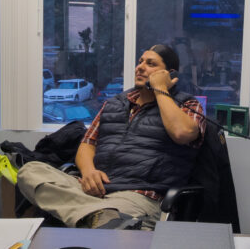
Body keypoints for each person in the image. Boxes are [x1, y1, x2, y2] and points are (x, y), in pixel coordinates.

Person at [17, 44, 206, 230]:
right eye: (140, 62)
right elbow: (87, 144)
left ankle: (102, 219)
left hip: (137, 196)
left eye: (151, 64)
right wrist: (89, 171)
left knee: (104, 227)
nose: (140, 67)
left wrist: (161, 90)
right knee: (30, 171)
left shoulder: (186, 104)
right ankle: (99, 216)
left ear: (170, 74)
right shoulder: (115, 104)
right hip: (92, 191)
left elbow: (182, 133)